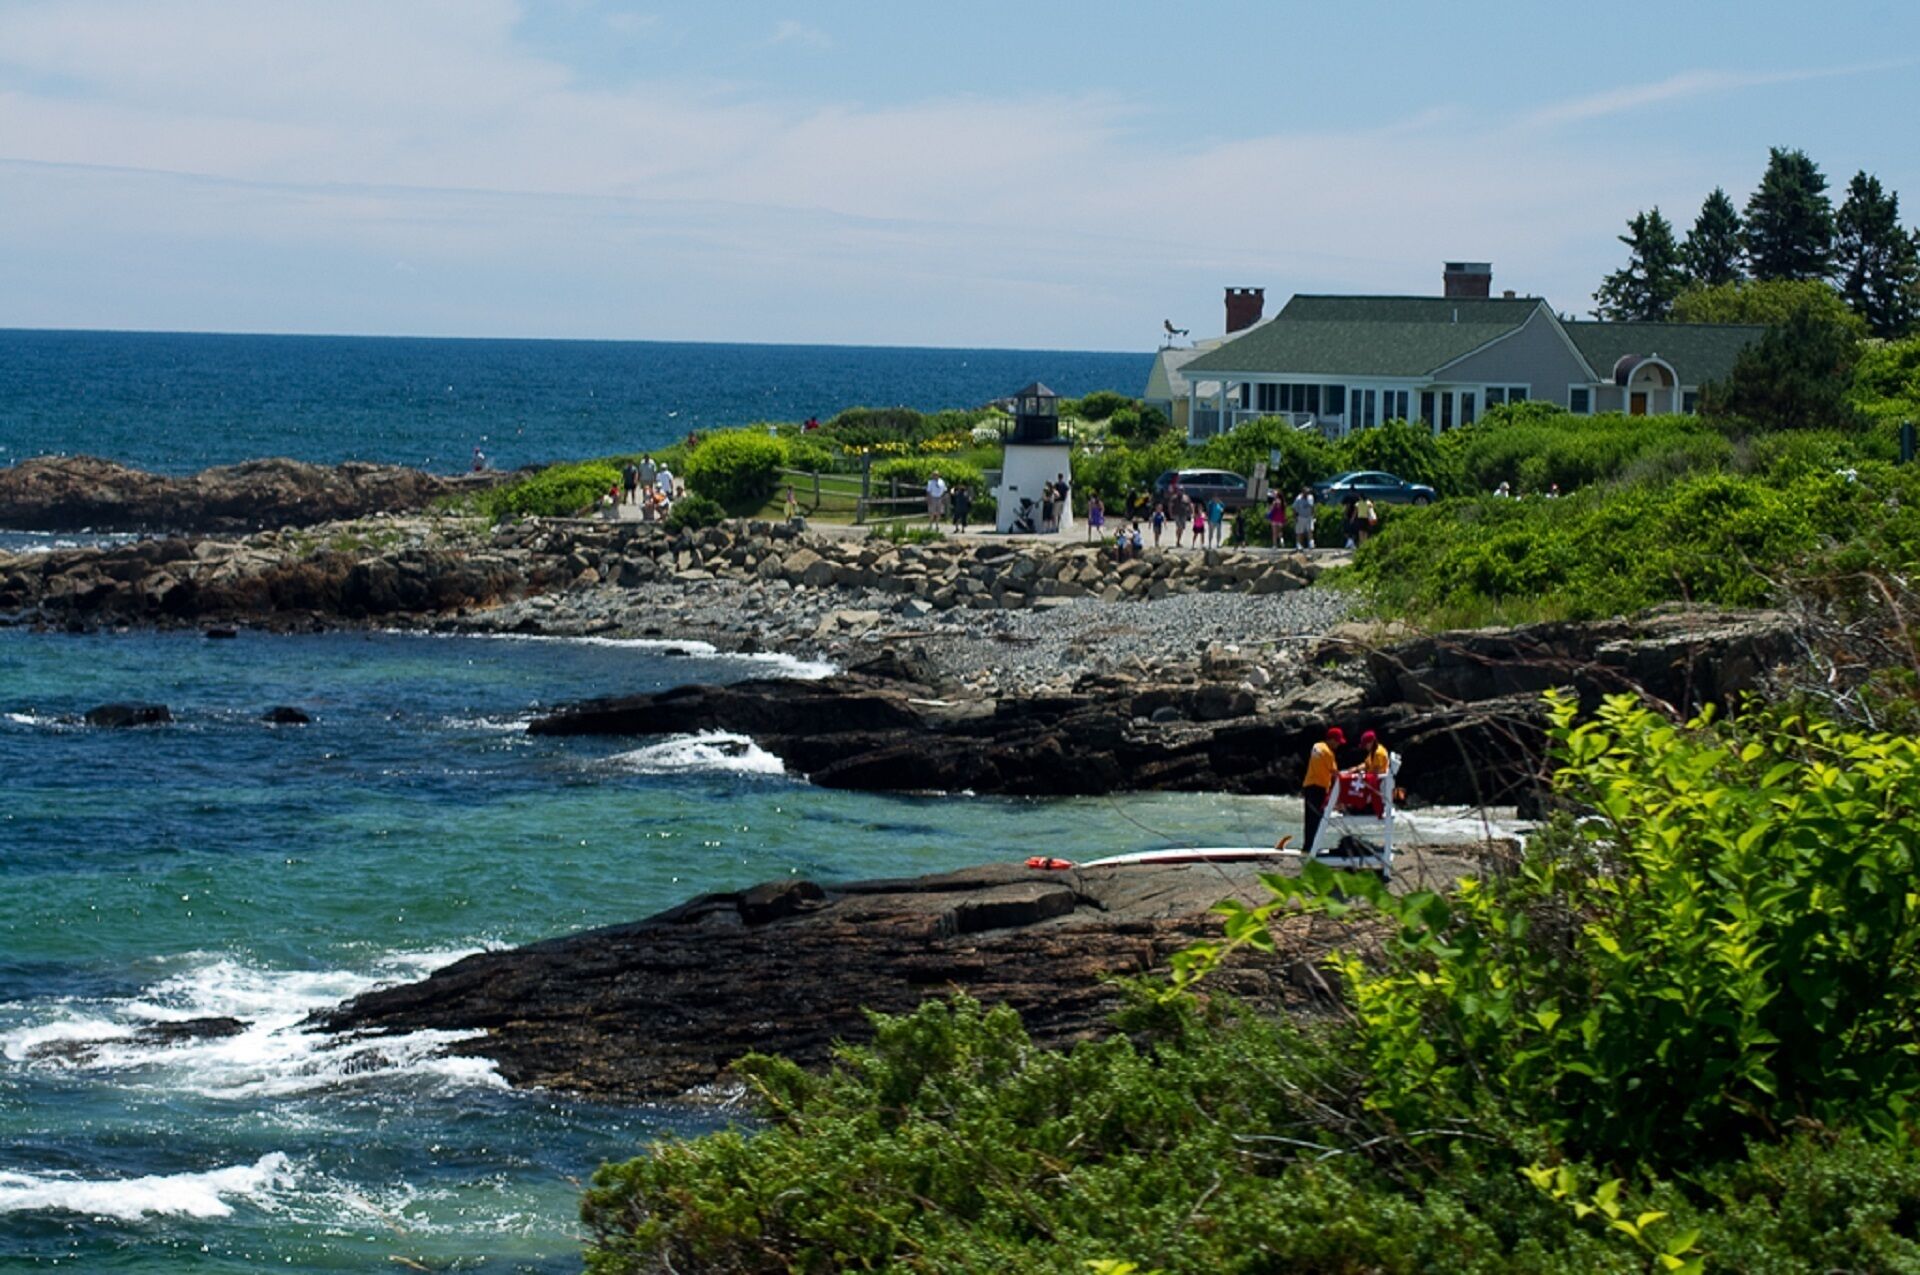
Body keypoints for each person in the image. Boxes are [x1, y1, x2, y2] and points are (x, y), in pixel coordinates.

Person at [1302, 726, 1345, 853]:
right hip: (1318, 788)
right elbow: (1335, 773)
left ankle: (1308, 846)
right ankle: (1312, 847)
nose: (1338, 744)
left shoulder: (1317, 746)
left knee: (1309, 818)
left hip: (1309, 786)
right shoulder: (1328, 753)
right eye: (1337, 741)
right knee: (1316, 819)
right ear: (1331, 739)